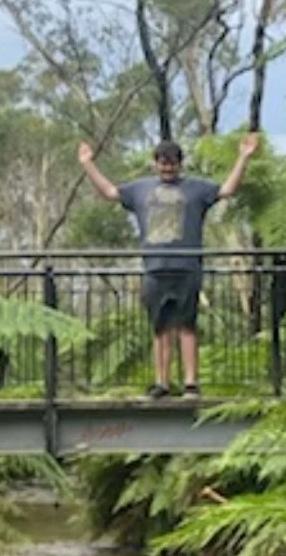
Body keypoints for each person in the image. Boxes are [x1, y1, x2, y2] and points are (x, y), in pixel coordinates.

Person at [78, 134, 260, 397]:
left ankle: (190, 382)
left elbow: (226, 190)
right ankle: (161, 382)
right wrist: (87, 164)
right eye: (163, 163)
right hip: (154, 268)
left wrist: (243, 157)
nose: (167, 168)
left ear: (180, 164)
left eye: (172, 163)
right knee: (160, 327)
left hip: (186, 267)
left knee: (186, 325)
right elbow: (109, 192)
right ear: (155, 164)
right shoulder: (140, 189)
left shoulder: (196, 188)